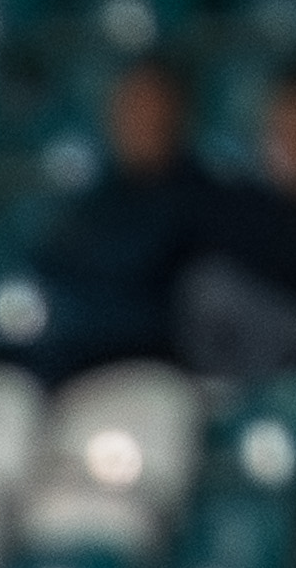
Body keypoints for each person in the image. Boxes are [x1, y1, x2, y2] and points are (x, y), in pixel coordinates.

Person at [29, 59, 231, 381]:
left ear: (179, 114)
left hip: (162, 372)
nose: (141, 121)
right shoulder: (94, 201)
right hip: (77, 365)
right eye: (132, 108)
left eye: (152, 108)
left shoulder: (208, 201)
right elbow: (48, 267)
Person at [180, 70, 296, 380]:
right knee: (210, 289)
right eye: (284, 131)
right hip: (256, 354)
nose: (293, 145)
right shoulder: (239, 202)